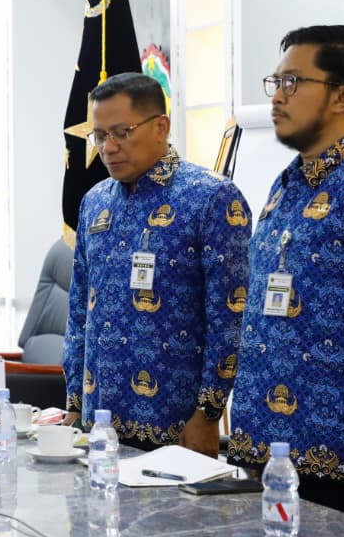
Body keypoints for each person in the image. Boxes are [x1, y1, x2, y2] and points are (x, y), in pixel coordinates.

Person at [228, 24, 344, 524]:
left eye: (292, 82)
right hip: (265, 452)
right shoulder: (285, 184)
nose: (277, 97)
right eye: (276, 82)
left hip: (337, 462)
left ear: (342, 96)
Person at [61, 73, 251, 457]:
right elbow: (80, 310)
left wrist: (208, 413)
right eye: (99, 136)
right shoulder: (94, 202)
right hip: (99, 425)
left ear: (161, 127)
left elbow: (231, 318)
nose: (109, 147)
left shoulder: (210, 198)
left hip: (176, 426)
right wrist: (75, 403)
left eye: (122, 133)